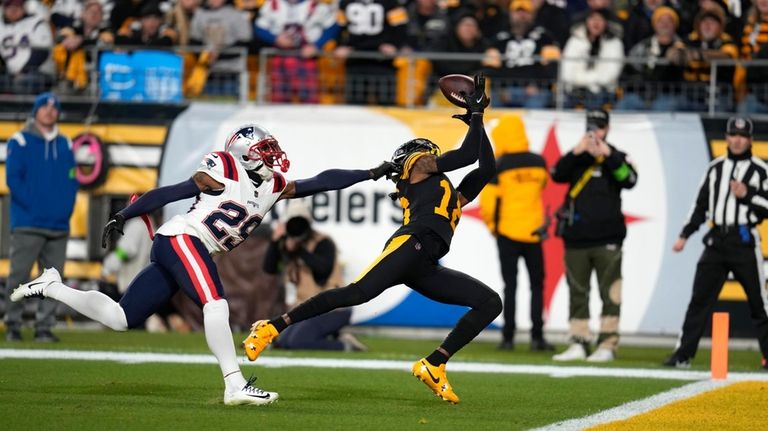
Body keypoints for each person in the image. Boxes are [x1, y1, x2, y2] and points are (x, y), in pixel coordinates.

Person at [11, 124, 396, 405]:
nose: (271, 155)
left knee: (120, 318)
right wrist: (128, 212)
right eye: (264, 149)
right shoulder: (224, 167)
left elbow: (320, 181)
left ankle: (52, 285)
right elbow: (175, 190)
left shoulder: (274, 184)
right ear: (245, 153)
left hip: (186, 249)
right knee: (216, 303)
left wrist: (371, 172)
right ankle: (234, 384)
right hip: (182, 239)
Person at [243, 74, 502, 405]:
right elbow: (466, 157)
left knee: (490, 302)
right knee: (356, 293)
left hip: (425, 261)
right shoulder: (415, 165)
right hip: (411, 244)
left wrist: (474, 122)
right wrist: (476, 116)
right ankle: (271, 328)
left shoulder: (447, 190)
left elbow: (485, 168)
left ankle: (435, 363)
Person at [663, 117, 768, 370]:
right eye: (733, 134)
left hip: (744, 240)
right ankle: (683, 355)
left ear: (750, 140)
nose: (737, 139)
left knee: (759, 302)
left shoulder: (760, 169)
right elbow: (700, 206)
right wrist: (684, 235)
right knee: (699, 299)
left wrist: (747, 194)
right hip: (716, 240)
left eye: (742, 135)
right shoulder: (715, 168)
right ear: (727, 137)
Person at [550, 109, 637, 363]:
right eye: (591, 127)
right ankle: (579, 341)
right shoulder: (578, 156)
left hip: (608, 238)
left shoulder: (617, 156)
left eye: (599, 127)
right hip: (576, 238)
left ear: (607, 129)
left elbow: (629, 179)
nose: (594, 132)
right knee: (578, 292)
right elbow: (556, 174)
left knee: (610, 293)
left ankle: (608, 345)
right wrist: (577, 152)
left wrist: (609, 156)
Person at [3, 92, 78, 343]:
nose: (50, 111)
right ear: (35, 111)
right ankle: (12, 324)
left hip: (59, 225)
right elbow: (14, 180)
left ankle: (44, 327)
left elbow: (71, 180)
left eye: (54, 107)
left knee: (54, 281)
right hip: (28, 224)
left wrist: (63, 209)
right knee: (18, 276)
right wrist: (37, 208)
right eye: (44, 107)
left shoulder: (66, 144)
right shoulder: (20, 141)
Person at [479, 114, 553, 352]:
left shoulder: (498, 165)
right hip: (534, 233)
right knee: (537, 286)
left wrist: (494, 228)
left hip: (507, 234)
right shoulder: (539, 162)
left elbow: (488, 203)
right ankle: (537, 338)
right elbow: (542, 186)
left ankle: (508, 337)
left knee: (510, 287)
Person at [264, 199, 367, 352]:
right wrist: (274, 242)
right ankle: (335, 336)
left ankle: (345, 345)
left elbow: (322, 271)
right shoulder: (287, 244)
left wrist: (298, 249)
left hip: (334, 309)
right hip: (307, 309)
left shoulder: (324, 242)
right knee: (283, 342)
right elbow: (269, 269)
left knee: (297, 342)